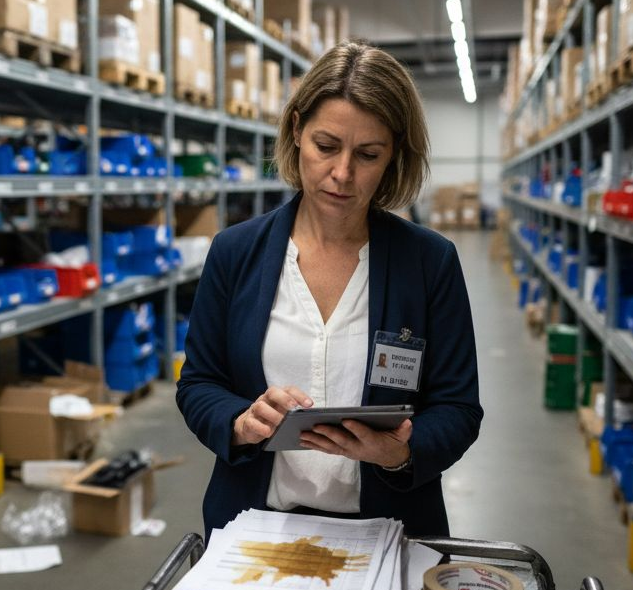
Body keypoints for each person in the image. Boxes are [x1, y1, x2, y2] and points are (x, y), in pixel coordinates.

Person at [176, 41, 482, 538]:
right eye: (326, 146)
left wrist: (402, 451)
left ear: (393, 157)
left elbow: (458, 408)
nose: (342, 173)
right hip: (256, 529)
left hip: (389, 531)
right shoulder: (235, 253)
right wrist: (240, 422)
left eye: (367, 154)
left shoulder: (429, 262)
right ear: (296, 131)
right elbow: (199, 384)